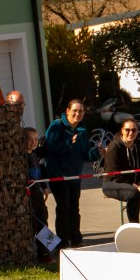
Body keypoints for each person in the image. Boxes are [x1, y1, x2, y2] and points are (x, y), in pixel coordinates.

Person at [43, 101, 98, 249]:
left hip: (75, 177)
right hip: (58, 176)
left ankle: (76, 239)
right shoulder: (57, 126)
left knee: (75, 208)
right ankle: (61, 242)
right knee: (64, 208)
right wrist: (68, 143)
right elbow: (49, 148)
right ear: (67, 111)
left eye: (80, 111)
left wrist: (98, 153)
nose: (77, 114)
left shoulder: (82, 130)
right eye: (75, 111)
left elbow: (86, 153)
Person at [101, 119, 140, 226]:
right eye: (127, 130)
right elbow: (115, 175)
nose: (131, 133)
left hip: (136, 182)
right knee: (134, 193)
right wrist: (136, 186)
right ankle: (134, 227)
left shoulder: (137, 144)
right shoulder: (114, 147)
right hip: (113, 182)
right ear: (122, 131)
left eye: (134, 130)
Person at [23, 127, 52, 261]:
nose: (33, 142)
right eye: (30, 139)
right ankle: (35, 253)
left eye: (35, 139)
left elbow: (40, 174)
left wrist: (45, 187)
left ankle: (47, 252)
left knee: (44, 221)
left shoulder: (35, 155)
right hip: (30, 196)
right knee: (34, 224)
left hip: (38, 194)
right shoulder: (23, 158)